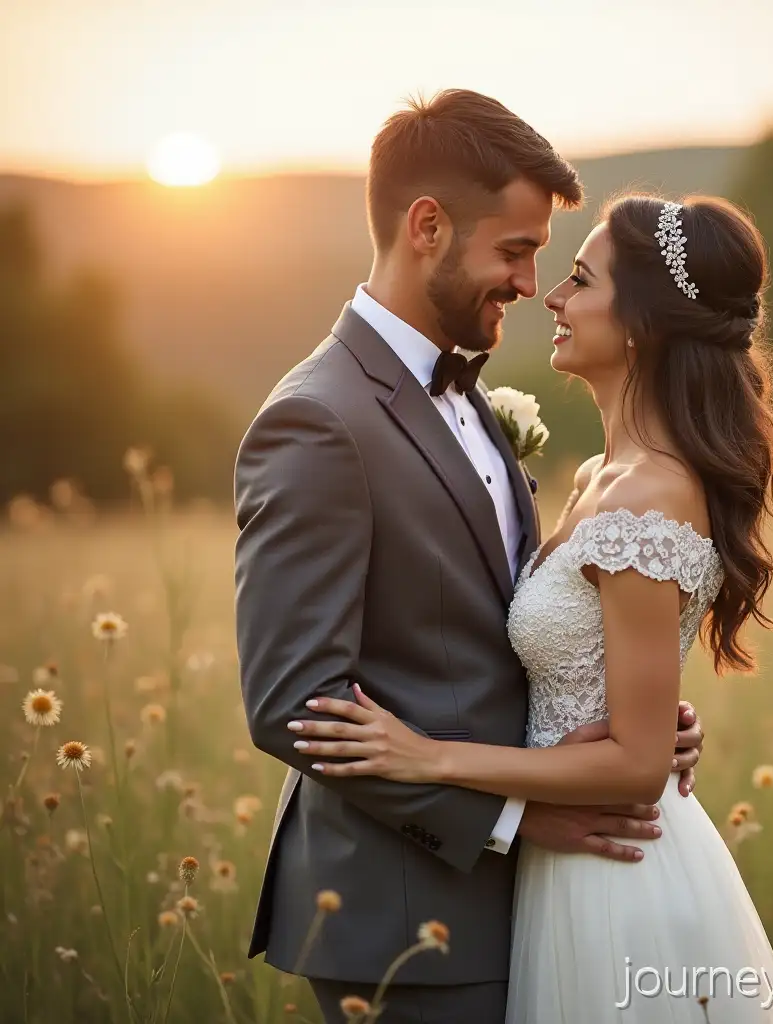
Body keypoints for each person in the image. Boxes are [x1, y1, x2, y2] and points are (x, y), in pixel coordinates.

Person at [233, 88, 705, 1024]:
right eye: (517, 250)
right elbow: (294, 704)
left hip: (535, 901)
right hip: (408, 918)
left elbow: (495, 628)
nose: (532, 285)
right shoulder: (317, 421)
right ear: (427, 226)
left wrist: (631, 716)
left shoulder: (479, 406)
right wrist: (511, 822)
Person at [287, 190, 773, 1023]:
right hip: (557, 866)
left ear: (642, 324)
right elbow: (606, 681)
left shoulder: (652, 496)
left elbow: (636, 767)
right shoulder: (601, 477)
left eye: (579, 280)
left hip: (616, 878)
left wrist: (430, 757)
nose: (551, 297)